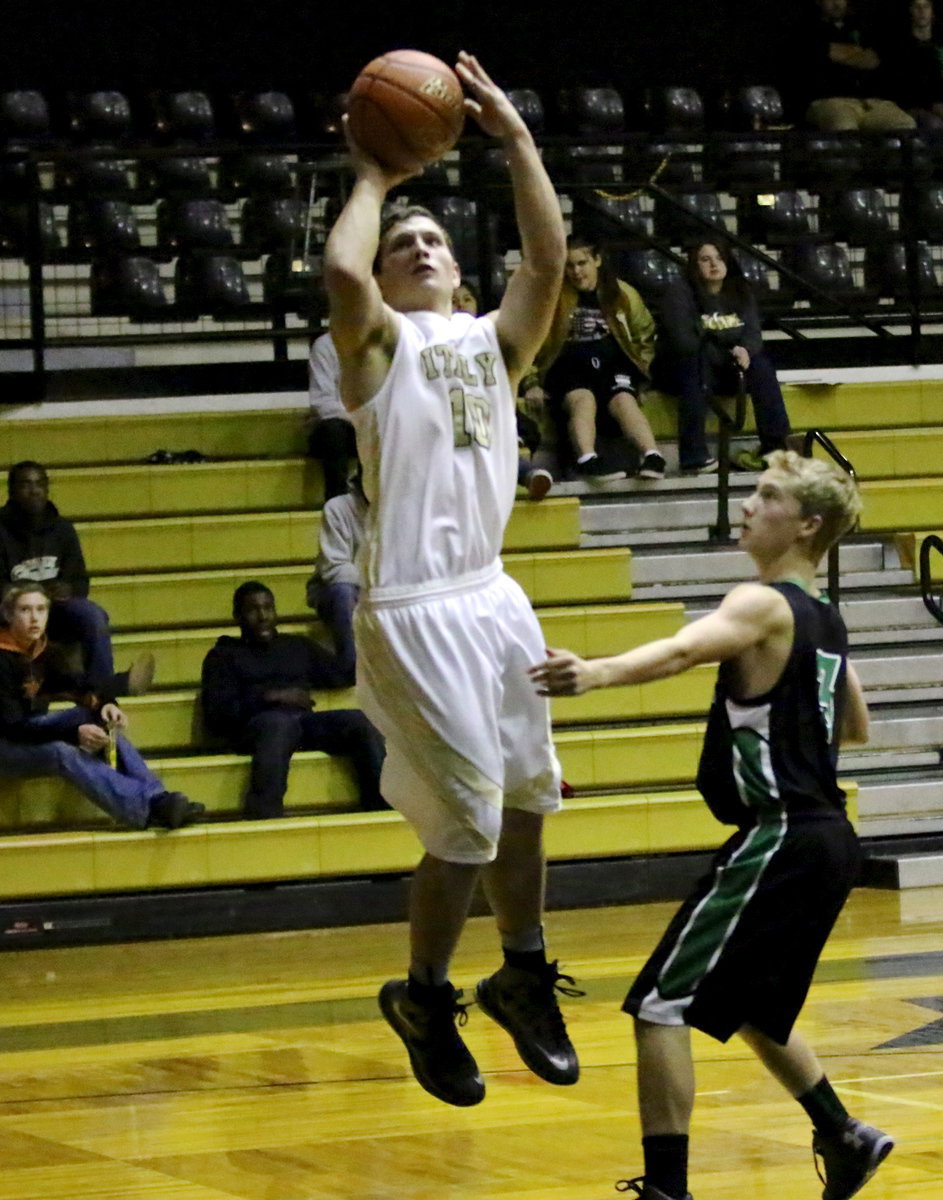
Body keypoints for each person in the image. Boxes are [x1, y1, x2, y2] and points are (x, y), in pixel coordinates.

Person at [532, 451, 894, 1200]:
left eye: (766, 497)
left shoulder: (761, 603)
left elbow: (684, 649)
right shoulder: (824, 620)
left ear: (807, 525)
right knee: (753, 1005)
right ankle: (845, 1135)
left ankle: (667, 1192)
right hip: (827, 837)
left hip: (781, 833)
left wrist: (595, 673)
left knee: (659, 1004)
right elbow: (854, 725)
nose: (747, 506)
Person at [323, 50, 578, 1109]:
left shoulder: (492, 344)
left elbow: (548, 261)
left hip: (493, 598)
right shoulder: (375, 350)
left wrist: (515, 141)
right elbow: (339, 274)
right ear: (385, 284)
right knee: (467, 821)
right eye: (402, 247)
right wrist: (376, 178)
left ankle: (520, 969)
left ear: (461, 277)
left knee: (530, 801)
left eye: (434, 240)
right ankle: (423, 993)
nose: (419, 248)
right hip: (414, 610)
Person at [0, 584, 202, 830]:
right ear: (9, 615)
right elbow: (13, 729)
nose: (34, 617)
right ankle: (146, 810)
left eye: (41, 609)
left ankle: (159, 799)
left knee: (95, 719)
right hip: (6, 744)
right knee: (61, 752)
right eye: (25, 610)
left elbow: (75, 686)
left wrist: (103, 705)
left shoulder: (43, 650)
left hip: (29, 729)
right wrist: (73, 734)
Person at [200, 581, 386, 818]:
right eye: (253, 610)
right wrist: (270, 698)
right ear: (237, 615)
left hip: (304, 725)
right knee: (278, 724)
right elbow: (218, 716)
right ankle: (263, 814)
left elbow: (344, 673)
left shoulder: (296, 647)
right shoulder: (223, 656)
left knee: (359, 721)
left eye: (268, 608)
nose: (263, 616)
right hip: (255, 728)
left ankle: (381, 806)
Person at [0, 461, 155, 697]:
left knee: (93, 615)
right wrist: (36, 593)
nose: (35, 490)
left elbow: (81, 582)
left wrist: (68, 589)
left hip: (55, 612)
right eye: (26, 484)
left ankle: (103, 699)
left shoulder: (63, 530)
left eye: (40, 484)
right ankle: (110, 690)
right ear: (11, 491)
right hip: (14, 616)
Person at [521, 233, 665, 483]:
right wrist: (532, 381)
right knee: (583, 400)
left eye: (581, 263)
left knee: (624, 400)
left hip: (611, 363)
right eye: (569, 265)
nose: (576, 272)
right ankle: (588, 459)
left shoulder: (621, 293)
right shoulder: (552, 296)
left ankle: (652, 456)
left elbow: (644, 334)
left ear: (597, 260)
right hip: (568, 365)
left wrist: (642, 375)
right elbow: (530, 340)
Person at [655, 238, 792, 474]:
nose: (714, 265)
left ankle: (775, 446)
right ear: (694, 264)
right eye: (705, 259)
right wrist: (729, 350)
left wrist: (745, 351)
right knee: (694, 364)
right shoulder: (678, 293)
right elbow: (684, 342)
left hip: (725, 367)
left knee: (762, 366)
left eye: (719, 258)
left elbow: (753, 334)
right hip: (681, 369)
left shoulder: (741, 290)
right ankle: (693, 455)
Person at [455, 280, 553, 500]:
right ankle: (526, 472)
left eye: (467, 299)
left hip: (494, 415)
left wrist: (532, 385)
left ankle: (525, 468)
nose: (461, 305)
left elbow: (522, 366)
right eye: (454, 301)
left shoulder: (494, 333)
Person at [798, 0, 916, 133]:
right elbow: (825, 53)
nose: (837, 4)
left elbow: (873, 59)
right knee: (843, 126)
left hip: (871, 102)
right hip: (830, 100)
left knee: (905, 125)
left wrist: (841, 54)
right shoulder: (809, 28)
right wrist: (857, 53)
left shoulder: (862, 25)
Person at [306, 474, 367, 685]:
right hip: (332, 591)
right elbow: (335, 568)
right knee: (343, 591)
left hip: (379, 588)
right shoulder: (337, 508)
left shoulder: (399, 508)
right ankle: (349, 667)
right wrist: (378, 582)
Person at [882, 0, 943, 133]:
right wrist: (929, 106)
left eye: (926, 6)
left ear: (932, 12)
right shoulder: (902, 47)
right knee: (933, 123)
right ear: (910, 11)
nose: (922, 11)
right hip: (916, 107)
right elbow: (903, 85)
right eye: (917, 7)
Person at [306, 332, 358, 500]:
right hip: (338, 427)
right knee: (333, 431)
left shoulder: (381, 344)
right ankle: (337, 501)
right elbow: (322, 402)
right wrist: (357, 420)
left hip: (369, 424)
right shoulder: (325, 346)